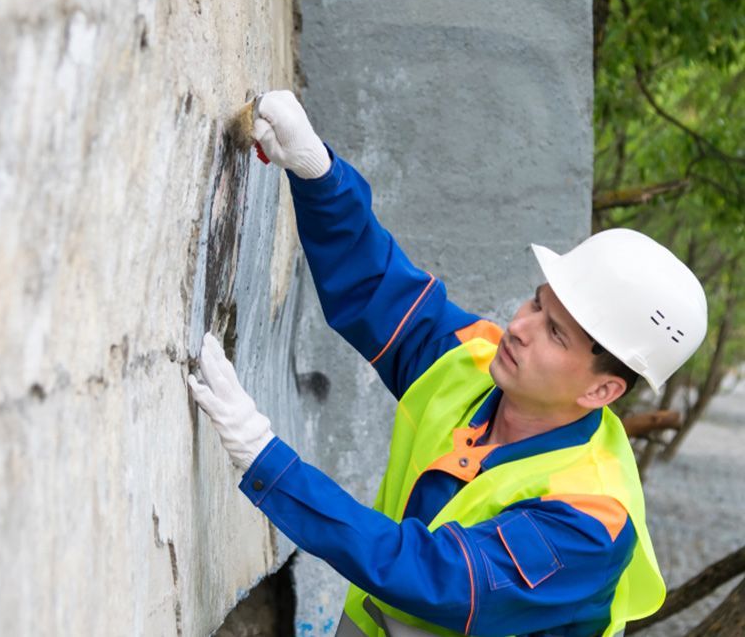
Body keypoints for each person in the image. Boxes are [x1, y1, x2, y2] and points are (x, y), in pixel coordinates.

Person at [187, 91, 708, 637]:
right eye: (536, 302)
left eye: (554, 334)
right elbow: (380, 293)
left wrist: (265, 458)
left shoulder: (590, 520)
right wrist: (316, 172)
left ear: (602, 391)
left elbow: (438, 577)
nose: (520, 327)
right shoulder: (478, 367)